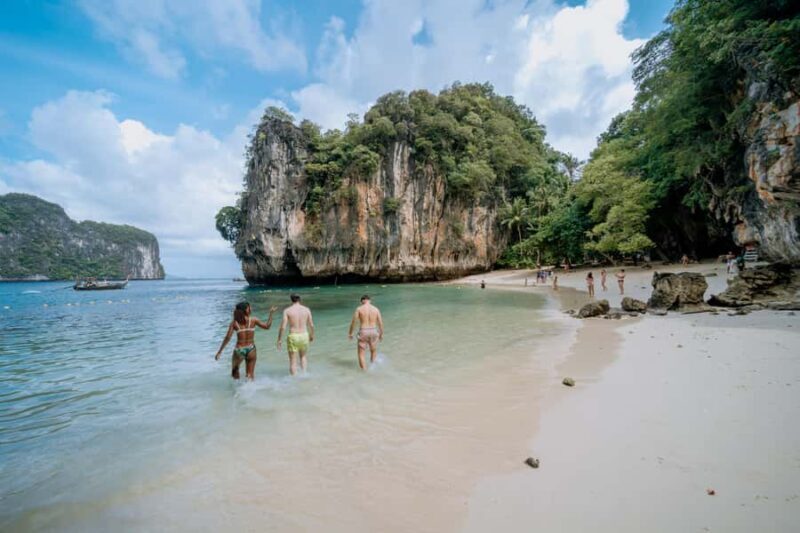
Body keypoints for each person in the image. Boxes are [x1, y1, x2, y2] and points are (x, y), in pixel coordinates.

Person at [215, 302, 277, 380]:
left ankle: (237, 391)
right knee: (250, 375)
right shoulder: (254, 320)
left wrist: (220, 351)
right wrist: (271, 314)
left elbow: (228, 337)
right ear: (246, 310)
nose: (251, 308)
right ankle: (249, 390)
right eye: (249, 307)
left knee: (235, 373)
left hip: (239, 349)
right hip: (251, 349)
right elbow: (267, 326)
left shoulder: (234, 323)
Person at [277, 294, 315, 376]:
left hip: (293, 336)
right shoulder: (306, 310)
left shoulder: (287, 311)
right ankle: (304, 375)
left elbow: (283, 327)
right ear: (299, 299)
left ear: (291, 300)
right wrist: (312, 335)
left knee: (293, 361)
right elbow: (311, 325)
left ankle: (294, 380)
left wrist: (279, 339)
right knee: (303, 357)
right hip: (304, 335)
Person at [348, 295, 385, 370]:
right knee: (373, 351)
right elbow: (380, 323)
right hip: (374, 331)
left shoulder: (359, 309)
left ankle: (364, 372)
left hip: (364, 331)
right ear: (369, 300)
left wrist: (350, 333)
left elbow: (354, 322)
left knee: (361, 354)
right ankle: (372, 369)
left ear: (362, 301)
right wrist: (381, 334)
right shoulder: (376, 309)